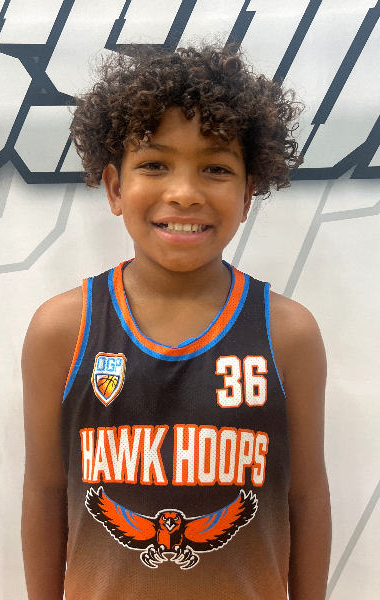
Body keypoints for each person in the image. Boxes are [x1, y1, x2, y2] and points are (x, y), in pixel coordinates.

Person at [21, 44, 331, 600]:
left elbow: (306, 498)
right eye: (154, 164)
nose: (184, 193)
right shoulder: (62, 330)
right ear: (115, 187)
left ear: (248, 193)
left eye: (216, 168)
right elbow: (44, 492)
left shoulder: (288, 334)